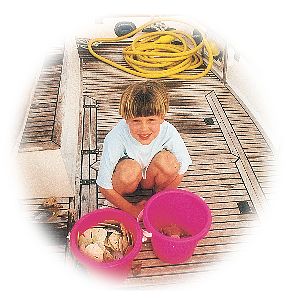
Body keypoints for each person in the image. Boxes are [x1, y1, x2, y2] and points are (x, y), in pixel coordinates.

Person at [97, 81, 192, 218]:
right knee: (130, 169)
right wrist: (132, 210)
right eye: (136, 121)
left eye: (151, 120)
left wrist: (158, 201)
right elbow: (103, 185)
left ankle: (159, 195)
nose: (144, 129)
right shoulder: (115, 137)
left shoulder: (169, 131)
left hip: (150, 178)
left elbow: (183, 167)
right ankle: (118, 203)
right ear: (126, 119)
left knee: (169, 162)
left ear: (162, 118)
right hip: (128, 180)